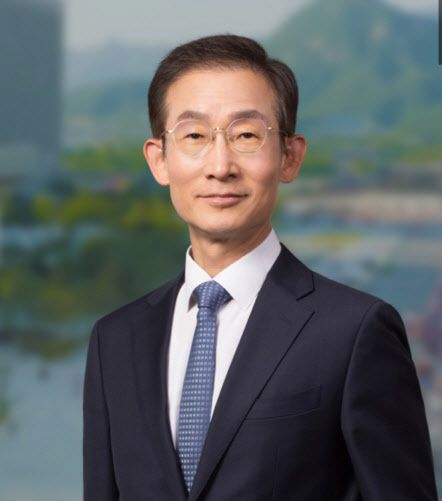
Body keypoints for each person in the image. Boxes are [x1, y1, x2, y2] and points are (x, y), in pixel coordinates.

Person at [83, 34, 438, 500]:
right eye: (194, 136)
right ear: (159, 159)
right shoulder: (115, 340)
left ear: (290, 156)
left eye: (246, 135)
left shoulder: (355, 332)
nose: (220, 165)